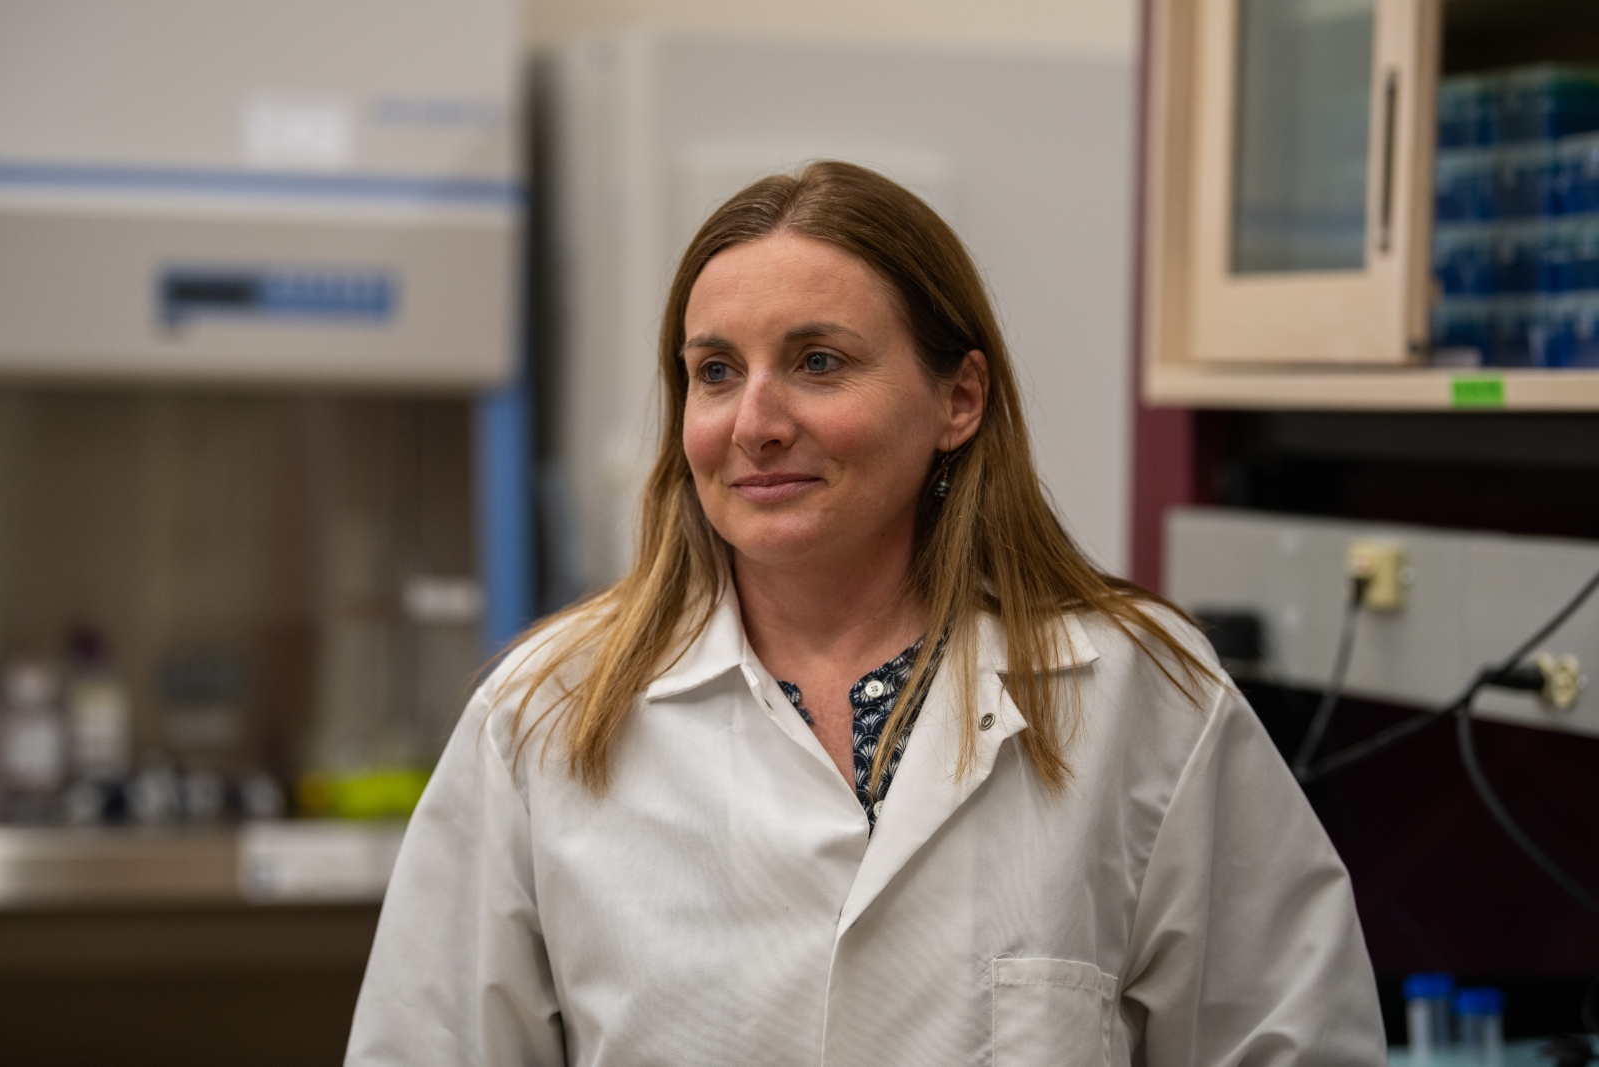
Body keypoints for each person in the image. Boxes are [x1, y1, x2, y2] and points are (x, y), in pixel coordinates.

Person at [346, 161, 1384, 1067]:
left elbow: (1289, 1039)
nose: (755, 422)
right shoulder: (545, 717)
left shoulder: (1136, 694)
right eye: (715, 371)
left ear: (957, 400)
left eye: (817, 361)